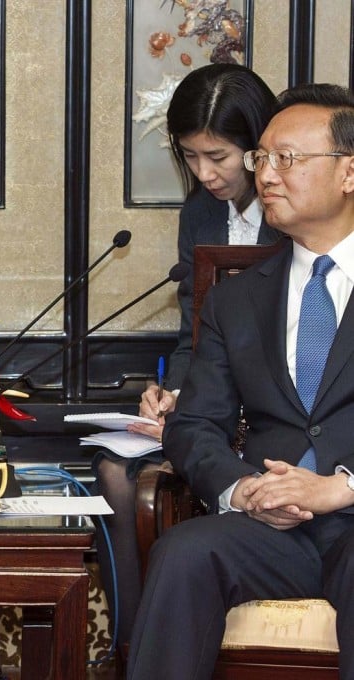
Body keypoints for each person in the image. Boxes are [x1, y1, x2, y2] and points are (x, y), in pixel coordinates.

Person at [127, 82, 354, 679]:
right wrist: (242, 490)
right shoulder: (236, 300)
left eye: (289, 159)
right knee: (184, 551)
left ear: (349, 173)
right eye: (262, 158)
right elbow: (197, 424)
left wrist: (341, 487)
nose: (268, 175)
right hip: (272, 529)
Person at [92, 63, 280, 651]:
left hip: (273, 409)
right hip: (213, 396)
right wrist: (173, 390)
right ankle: (130, 646)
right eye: (191, 157)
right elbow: (194, 331)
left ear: (259, 145)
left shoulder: (299, 210)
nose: (205, 173)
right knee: (116, 474)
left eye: (218, 156)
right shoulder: (199, 213)